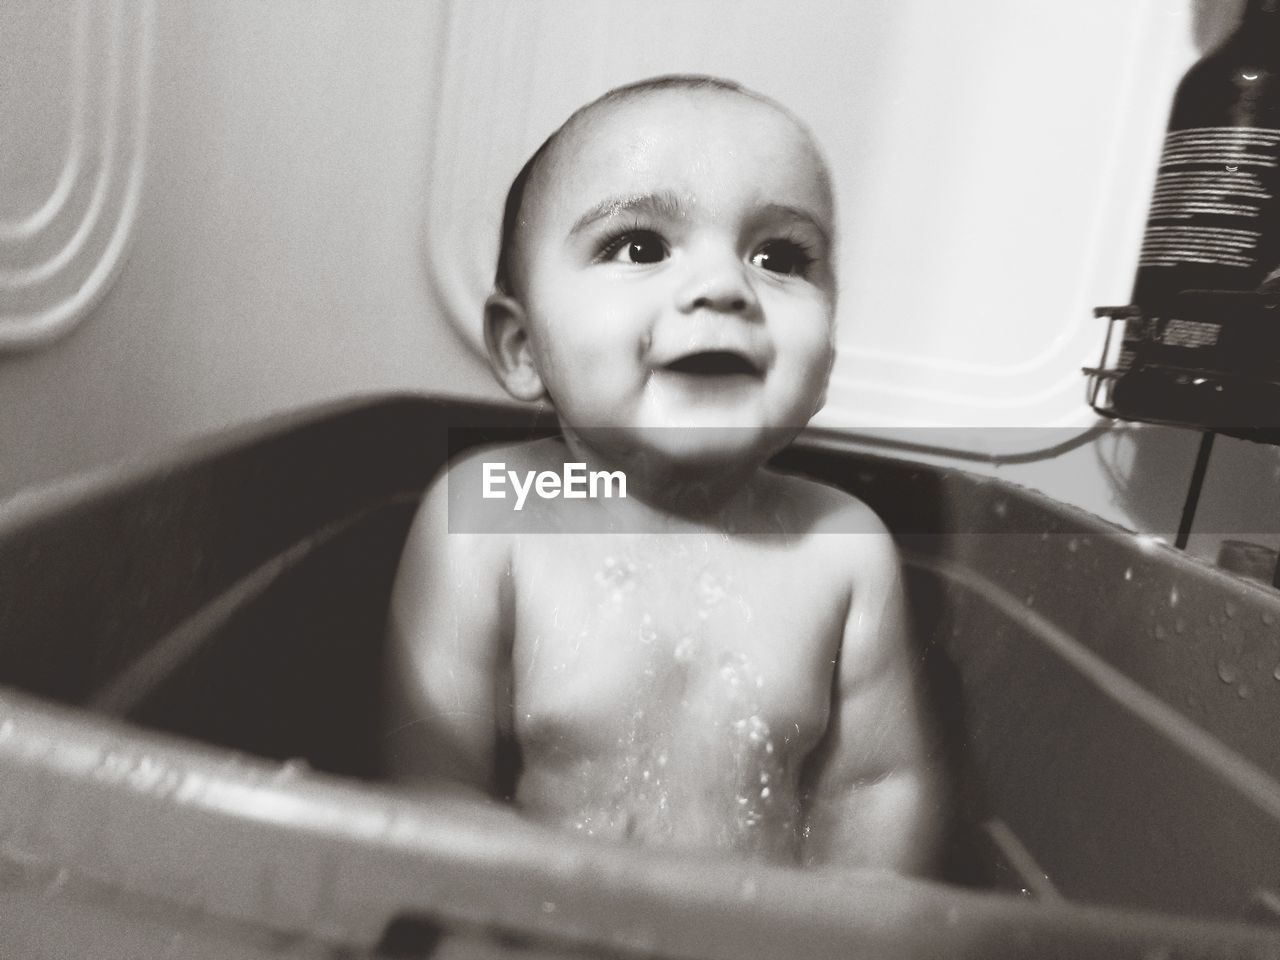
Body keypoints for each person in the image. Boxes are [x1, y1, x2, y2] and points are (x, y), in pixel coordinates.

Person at [384, 75, 945, 872]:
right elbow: (430, 784)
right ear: (521, 347)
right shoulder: (490, 517)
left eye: (780, 257)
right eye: (640, 246)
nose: (724, 288)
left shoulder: (841, 547)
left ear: (826, 362)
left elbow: (875, 788)